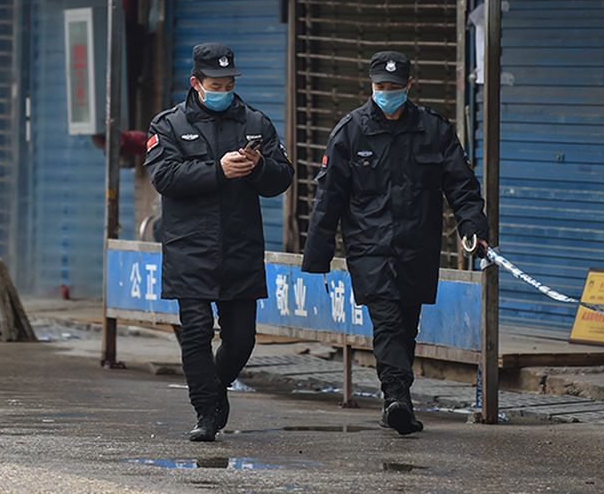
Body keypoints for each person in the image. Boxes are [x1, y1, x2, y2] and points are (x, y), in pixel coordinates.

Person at [301, 51, 489, 435]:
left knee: (406, 326)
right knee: (387, 321)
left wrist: (473, 225)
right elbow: (329, 196)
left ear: (409, 86)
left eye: (394, 87)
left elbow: (462, 185)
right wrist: (317, 255)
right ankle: (397, 398)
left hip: (417, 246)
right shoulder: (351, 131)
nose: (387, 93)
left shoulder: (433, 129)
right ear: (371, 86)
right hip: (369, 248)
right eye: (381, 87)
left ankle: (397, 397)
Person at [144, 43, 294, 442]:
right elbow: (164, 178)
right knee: (195, 332)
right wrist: (218, 170)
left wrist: (259, 166)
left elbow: (282, 178)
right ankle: (206, 413)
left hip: (241, 248)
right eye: (215, 83)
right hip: (190, 249)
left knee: (242, 338)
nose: (223, 89)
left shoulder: (255, 123)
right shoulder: (168, 126)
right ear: (196, 83)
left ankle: (215, 389)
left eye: (229, 83)